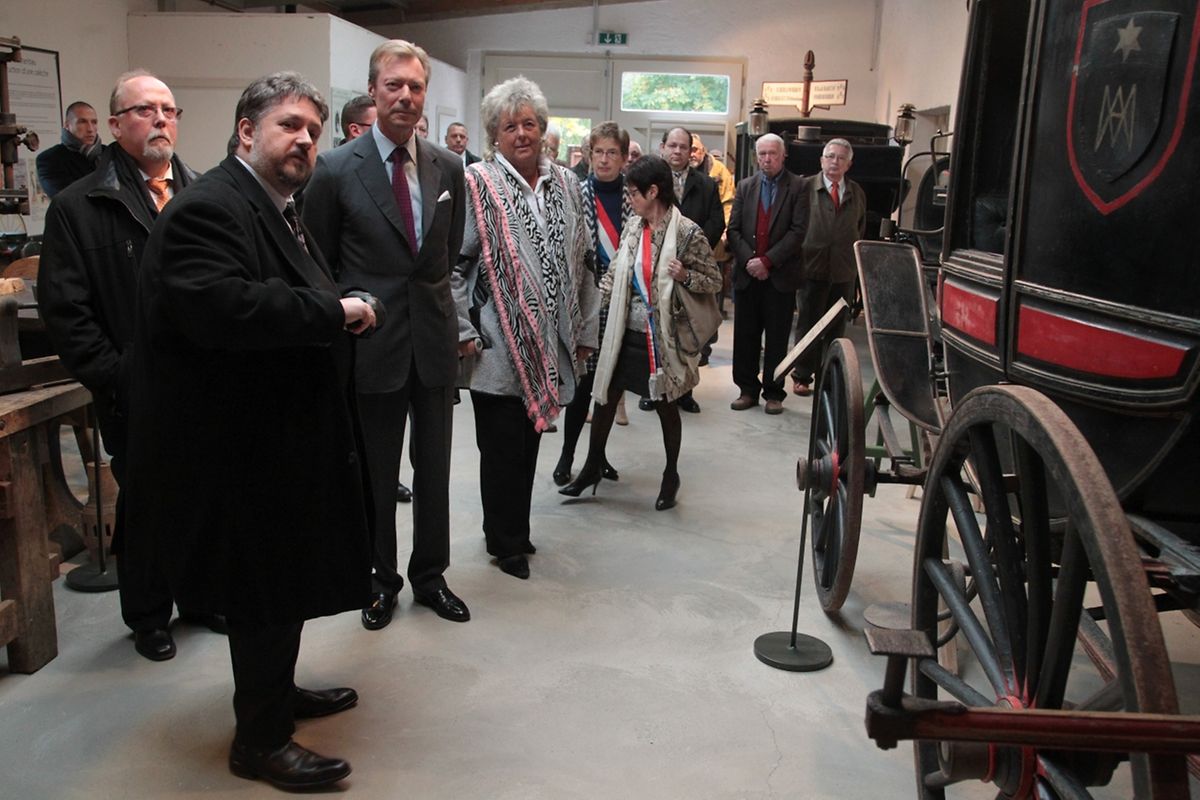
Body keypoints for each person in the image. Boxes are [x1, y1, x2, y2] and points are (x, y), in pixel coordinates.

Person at [124, 71, 377, 791]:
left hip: (272, 438)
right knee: (261, 588)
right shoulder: (212, 208)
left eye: (312, 131)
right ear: (245, 132)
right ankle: (259, 740)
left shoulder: (273, 205)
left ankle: (277, 692)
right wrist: (339, 312)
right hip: (232, 447)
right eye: (288, 125)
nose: (304, 141)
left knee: (282, 581)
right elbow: (227, 308)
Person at [38, 71, 209, 662]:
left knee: (204, 495)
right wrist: (119, 376)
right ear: (114, 126)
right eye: (144, 110)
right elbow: (67, 312)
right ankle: (148, 616)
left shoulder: (205, 194)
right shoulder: (77, 207)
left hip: (206, 383)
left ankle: (202, 598)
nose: (160, 119)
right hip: (136, 387)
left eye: (168, 109)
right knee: (147, 502)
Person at [303, 40, 470, 629]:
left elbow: (444, 257)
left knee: (436, 472)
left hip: (433, 345)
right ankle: (379, 580)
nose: (405, 96)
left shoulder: (449, 169)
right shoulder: (334, 169)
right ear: (373, 91)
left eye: (415, 87)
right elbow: (319, 263)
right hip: (371, 347)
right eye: (394, 85)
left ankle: (431, 576)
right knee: (375, 474)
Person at [452, 76, 598, 580]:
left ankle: (517, 527)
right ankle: (504, 541)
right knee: (499, 447)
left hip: (553, 339)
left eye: (529, 124)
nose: (521, 134)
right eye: (509, 126)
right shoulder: (477, 184)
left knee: (530, 440)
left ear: (543, 129)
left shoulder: (567, 185)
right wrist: (462, 329)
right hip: (496, 339)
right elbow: (453, 265)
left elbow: (584, 264)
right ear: (494, 134)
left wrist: (585, 332)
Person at [559, 155, 720, 509]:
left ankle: (670, 475)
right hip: (624, 332)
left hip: (661, 338)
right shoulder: (635, 227)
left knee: (665, 406)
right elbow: (613, 275)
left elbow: (714, 280)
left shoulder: (687, 232)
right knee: (604, 398)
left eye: (633, 192)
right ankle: (590, 468)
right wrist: (583, 313)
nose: (628, 198)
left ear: (653, 191)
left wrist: (685, 276)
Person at [553, 121, 633, 488]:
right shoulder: (574, 192)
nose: (604, 159)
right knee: (582, 387)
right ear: (588, 155)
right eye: (598, 152)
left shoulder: (635, 198)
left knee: (609, 386)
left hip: (620, 304)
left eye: (612, 153)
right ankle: (567, 455)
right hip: (584, 304)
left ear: (623, 158)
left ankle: (596, 457)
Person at [728, 133, 809, 414]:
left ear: (783, 155)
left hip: (780, 276)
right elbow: (733, 229)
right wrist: (751, 260)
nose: (766, 159)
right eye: (761, 154)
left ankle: (774, 392)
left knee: (776, 337)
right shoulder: (745, 186)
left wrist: (768, 261)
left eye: (772, 153)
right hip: (747, 276)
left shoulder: (798, 187)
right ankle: (747, 390)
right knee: (746, 336)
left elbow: (798, 232)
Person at [652, 126, 724, 413]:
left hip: (691, 272)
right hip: (659, 269)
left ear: (691, 151)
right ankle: (655, 390)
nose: (678, 151)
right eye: (673, 145)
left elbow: (716, 223)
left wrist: (692, 255)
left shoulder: (706, 185)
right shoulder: (652, 183)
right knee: (657, 331)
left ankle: (685, 391)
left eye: (684, 146)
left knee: (687, 334)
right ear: (662, 147)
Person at [790, 138, 866, 395]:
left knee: (837, 326)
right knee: (809, 323)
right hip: (811, 268)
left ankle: (829, 376)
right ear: (821, 160)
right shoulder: (805, 187)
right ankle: (802, 375)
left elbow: (860, 226)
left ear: (849, 164)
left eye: (841, 158)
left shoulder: (856, 193)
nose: (835, 162)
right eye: (830, 156)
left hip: (843, 271)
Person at [36, 101, 103, 197]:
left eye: (94, 122)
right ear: (67, 125)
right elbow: (66, 199)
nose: (90, 129)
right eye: (82, 122)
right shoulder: (50, 159)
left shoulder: (110, 154)